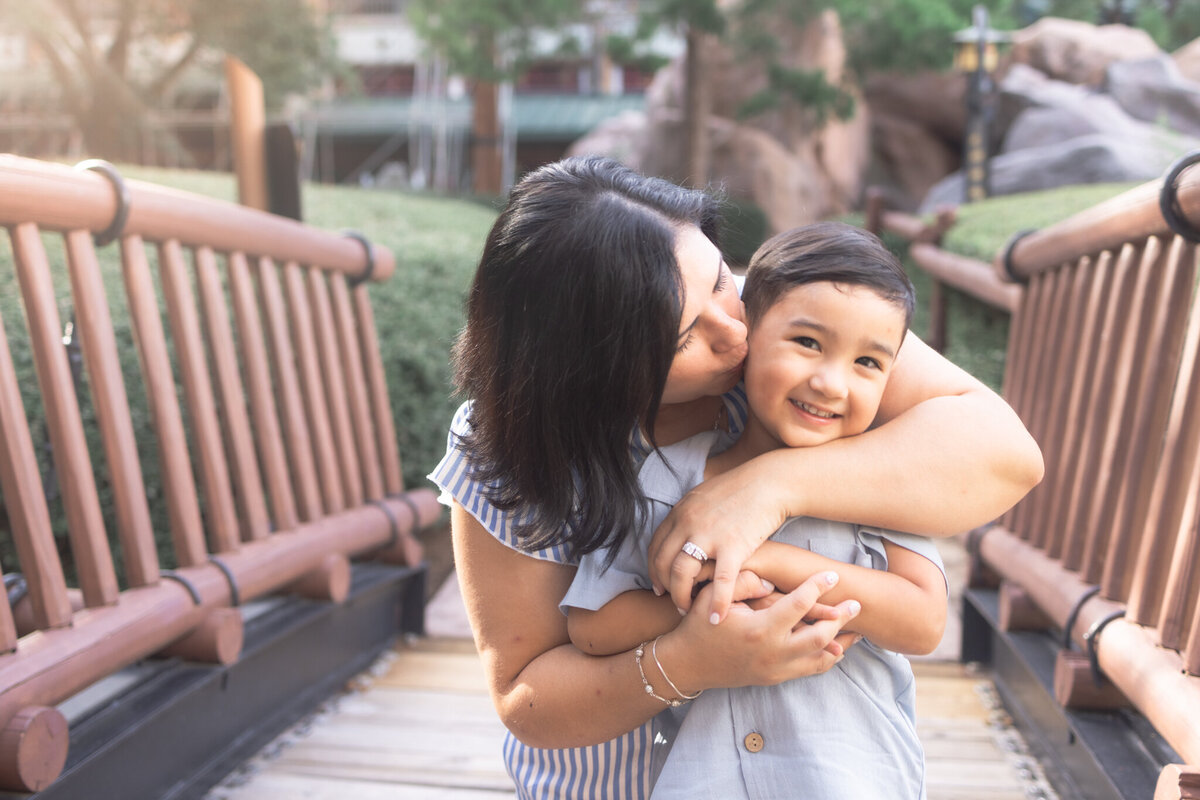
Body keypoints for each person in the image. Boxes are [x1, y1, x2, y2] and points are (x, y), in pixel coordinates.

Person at [429, 155, 1042, 799]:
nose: (736, 333)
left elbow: (1007, 457)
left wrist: (770, 487)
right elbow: (528, 695)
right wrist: (687, 663)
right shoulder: (508, 443)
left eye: (723, 279)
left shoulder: (802, 323)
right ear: (596, 369)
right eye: (685, 334)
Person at [563, 222, 947, 799]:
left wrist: (764, 565)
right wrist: (717, 621)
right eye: (808, 343)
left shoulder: (880, 478)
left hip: (853, 781)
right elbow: (593, 626)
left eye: (868, 362)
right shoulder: (671, 477)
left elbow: (923, 621)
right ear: (748, 341)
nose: (830, 382)